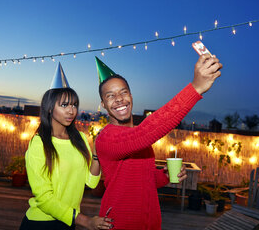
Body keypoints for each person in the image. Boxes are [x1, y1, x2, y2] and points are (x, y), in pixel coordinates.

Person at [95, 54, 223, 229]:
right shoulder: (106, 138)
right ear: (103, 104)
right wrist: (195, 88)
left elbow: (144, 178)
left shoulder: (137, 137)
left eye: (123, 92)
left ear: (131, 96)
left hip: (150, 222)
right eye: (110, 96)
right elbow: (146, 131)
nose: (119, 99)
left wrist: (167, 175)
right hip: (120, 223)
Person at [20, 63, 113, 230]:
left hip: (70, 222)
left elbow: (91, 183)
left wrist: (96, 154)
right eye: (64, 105)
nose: (71, 111)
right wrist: (86, 221)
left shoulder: (80, 139)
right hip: (41, 223)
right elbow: (43, 197)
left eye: (74, 105)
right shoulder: (39, 144)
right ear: (49, 108)